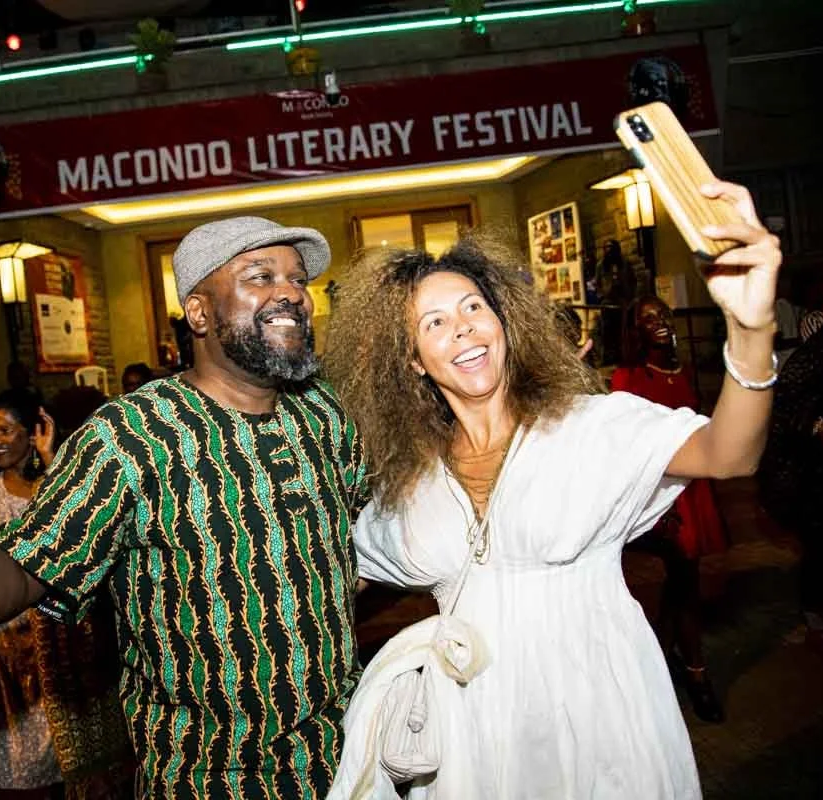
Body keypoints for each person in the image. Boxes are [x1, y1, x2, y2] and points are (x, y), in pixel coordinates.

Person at [0, 216, 369, 798]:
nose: (290, 292)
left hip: (349, 756)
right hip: (215, 774)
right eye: (260, 276)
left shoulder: (324, 412)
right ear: (200, 313)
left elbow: (363, 531)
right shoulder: (132, 434)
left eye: (296, 279)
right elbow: (25, 563)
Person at [325, 182, 780, 798]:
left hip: (597, 712)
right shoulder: (411, 480)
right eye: (434, 322)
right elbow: (334, 571)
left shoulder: (589, 428)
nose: (461, 329)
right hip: (473, 731)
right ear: (411, 359)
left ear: (503, 321)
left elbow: (729, 455)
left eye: (473, 308)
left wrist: (752, 330)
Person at [0, 394, 133, 796]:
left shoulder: (55, 485)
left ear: (33, 433)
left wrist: (52, 459)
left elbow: (81, 530)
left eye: (6, 430)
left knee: (54, 757)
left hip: (46, 634)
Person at [612, 295, 728, 722]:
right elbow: (627, 448)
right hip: (659, 499)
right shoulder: (627, 378)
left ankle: (675, 668)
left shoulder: (685, 370)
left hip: (692, 491)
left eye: (663, 315)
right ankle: (689, 674)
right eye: (648, 319)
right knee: (679, 584)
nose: (660, 322)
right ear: (635, 330)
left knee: (685, 584)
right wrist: (654, 507)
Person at [759, 313, 823, 654]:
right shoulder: (816, 357)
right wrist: (817, 427)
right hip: (815, 478)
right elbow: (776, 415)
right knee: (822, 553)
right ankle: (818, 626)